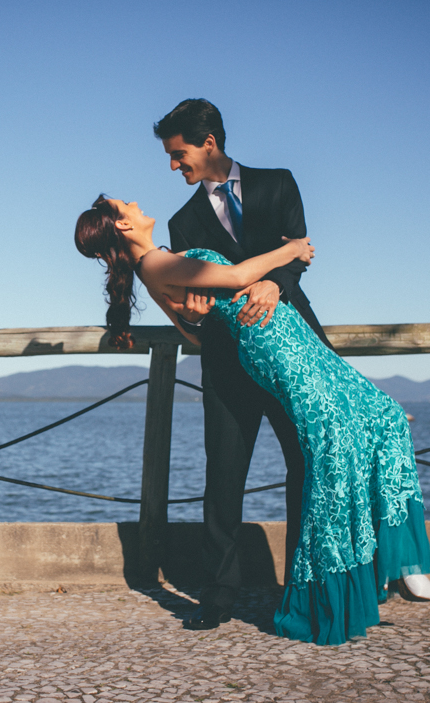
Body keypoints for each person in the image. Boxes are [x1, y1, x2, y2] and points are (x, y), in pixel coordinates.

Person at [73, 195, 430, 645]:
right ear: (123, 227)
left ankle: (385, 561)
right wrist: (293, 249)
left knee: (383, 417)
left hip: (292, 333)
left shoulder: (162, 259)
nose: (134, 202)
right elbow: (237, 277)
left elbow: (192, 330)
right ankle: (332, 589)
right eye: (124, 204)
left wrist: (198, 315)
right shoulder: (154, 264)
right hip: (273, 346)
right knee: (333, 445)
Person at [154, 98, 333, 630]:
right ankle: (218, 594)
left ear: (208, 143)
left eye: (178, 154)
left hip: (292, 350)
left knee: (306, 463)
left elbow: (298, 252)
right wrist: (194, 310)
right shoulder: (182, 222)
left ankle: (303, 585)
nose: (174, 166)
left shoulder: (278, 184)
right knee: (224, 475)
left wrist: (275, 284)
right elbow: (196, 297)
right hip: (227, 358)